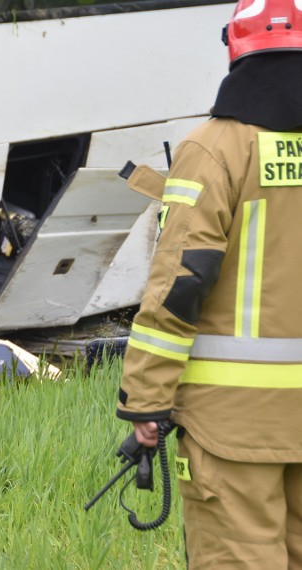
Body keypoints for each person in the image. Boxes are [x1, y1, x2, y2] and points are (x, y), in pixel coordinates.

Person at [116, 0, 302, 566]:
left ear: (236, 45)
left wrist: (145, 404)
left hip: (232, 424)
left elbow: (181, 285)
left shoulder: (214, 150)